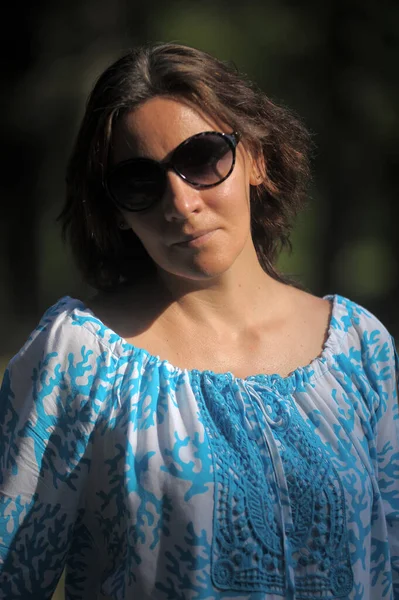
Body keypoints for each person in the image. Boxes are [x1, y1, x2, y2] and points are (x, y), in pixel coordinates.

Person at [0, 42, 398, 600]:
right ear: (115, 208)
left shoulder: (360, 347)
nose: (180, 201)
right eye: (140, 181)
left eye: (202, 157)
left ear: (256, 158)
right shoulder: (79, 358)